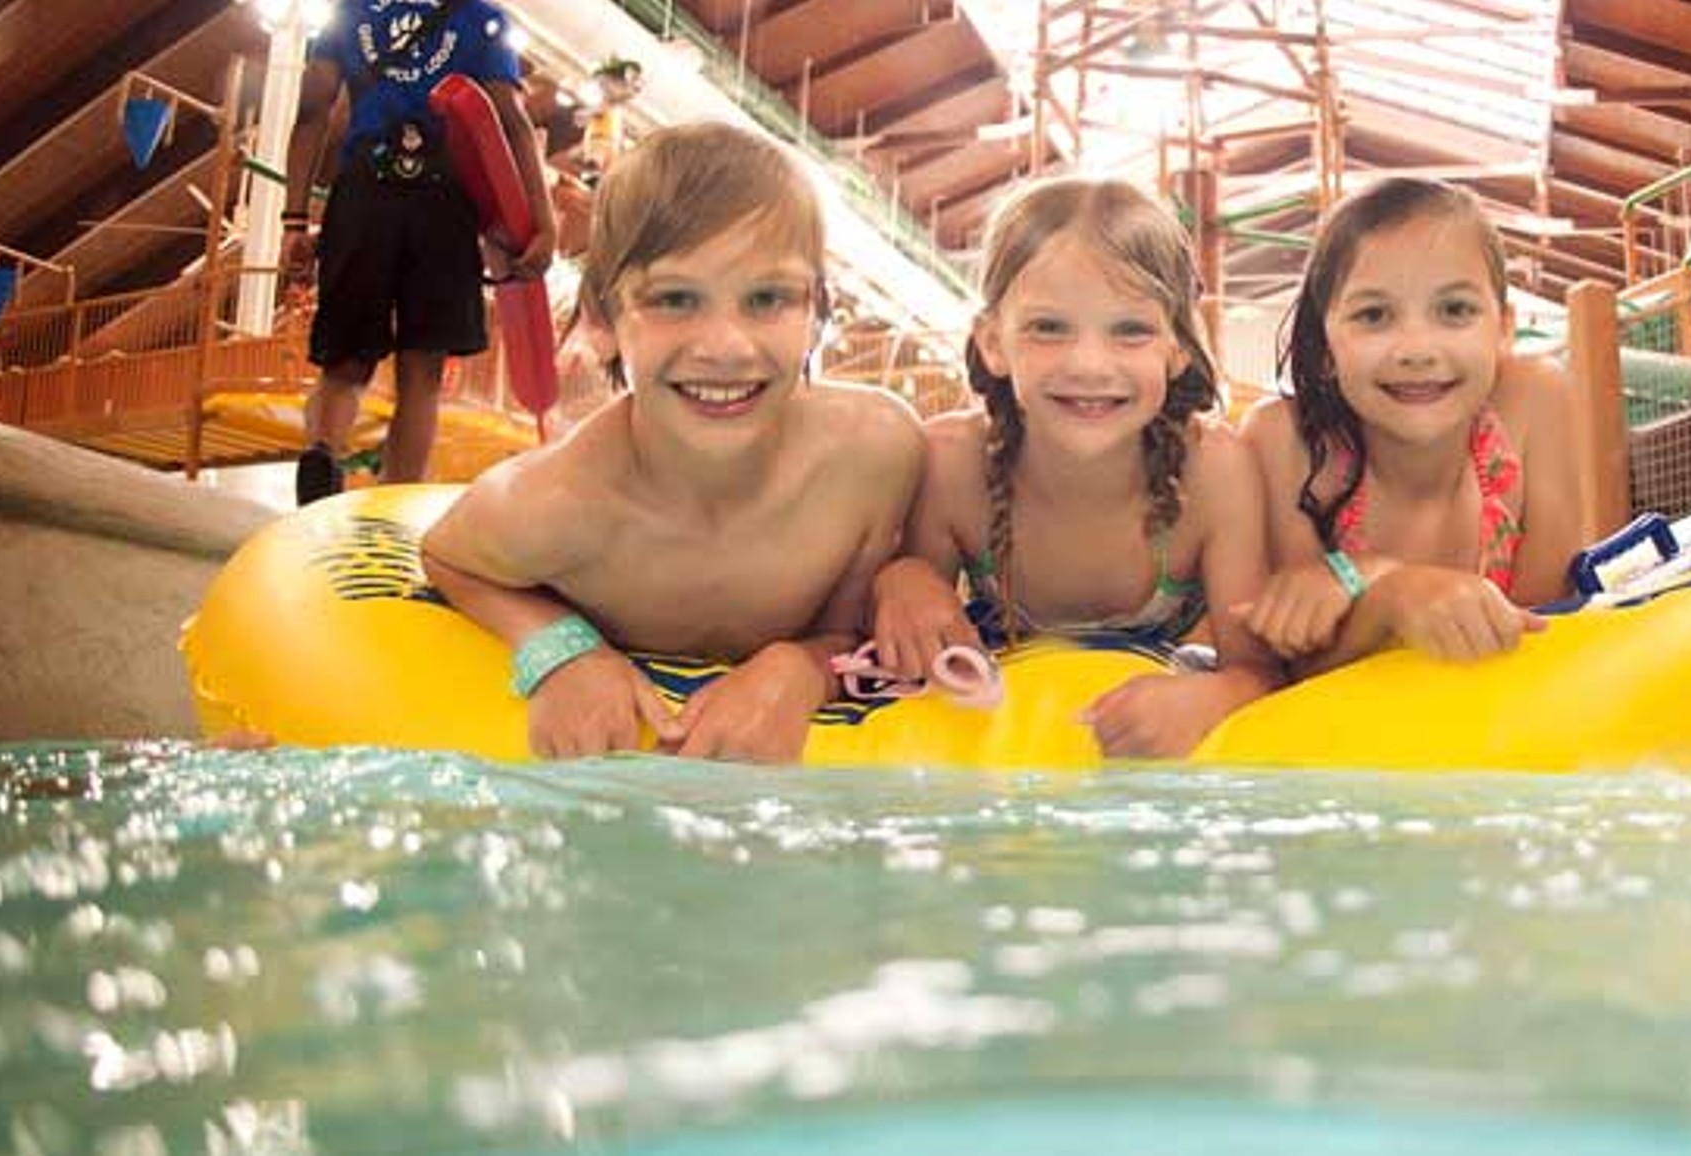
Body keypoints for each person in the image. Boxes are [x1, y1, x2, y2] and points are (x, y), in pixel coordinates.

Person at [418, 123, 923, 761]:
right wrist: (563, 650)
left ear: (816, 313)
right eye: (676, 299)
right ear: (602, 318)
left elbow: (846, 634)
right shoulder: (552, 505)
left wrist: (798, 669)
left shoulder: (871, 458)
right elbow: (446, 557)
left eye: (767, 298)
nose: (726, 347)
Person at [865, 177, 1281, 759]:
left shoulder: (1213, 472)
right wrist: (902, 580)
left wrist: (1211, 697)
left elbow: (1262, 672)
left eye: (1131, 330)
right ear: (993, 342)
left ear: (1177, 347)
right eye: (1049, 327)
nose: (1089, 364)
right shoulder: (952, 465)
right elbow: (899, 642)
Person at [1236, 177, 1586, 675]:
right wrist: (1392, 595)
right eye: (1374, 315)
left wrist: (1376, 588)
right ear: (1326, 346)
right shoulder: (1287, 444)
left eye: (1455, 310)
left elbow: (1549, 626)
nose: (1417, 350)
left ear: (1503, 329)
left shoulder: (1535, 401)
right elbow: (1296, 670)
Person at [282, 0, 556, 506]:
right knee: (422, 372)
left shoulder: (351, 9)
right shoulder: (480, 17)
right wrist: (543, 221)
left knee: (344, 363)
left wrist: (294, 220)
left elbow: (312, 108)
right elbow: (511, 122)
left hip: (364, 191)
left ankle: (322, 451)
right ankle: (392, 507)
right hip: (443, 200)